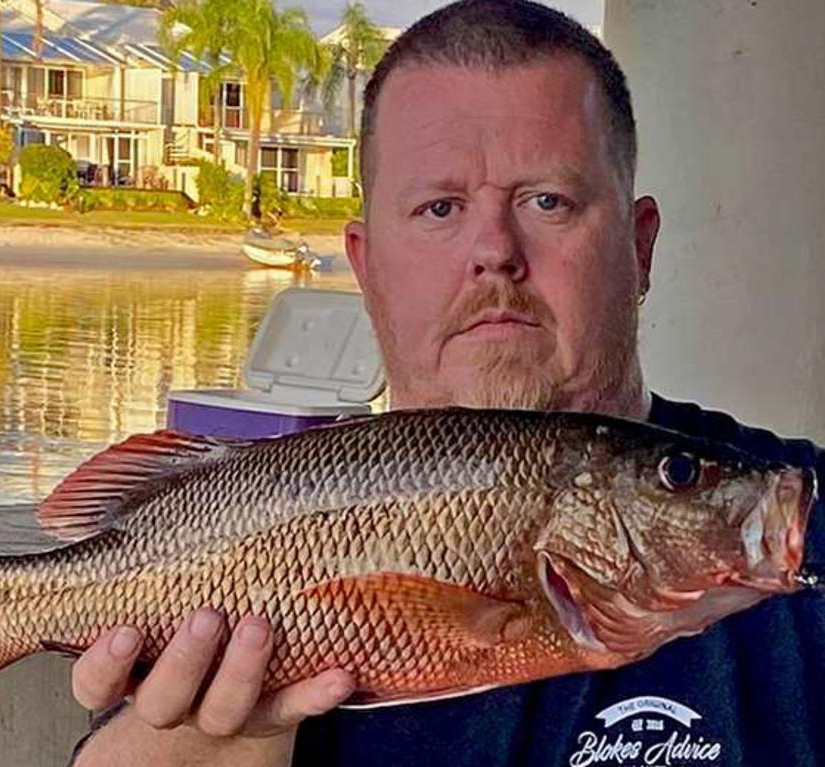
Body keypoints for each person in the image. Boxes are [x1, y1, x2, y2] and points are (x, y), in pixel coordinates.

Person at [68, 1, 825, 765]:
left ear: (639, 247)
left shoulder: (792, 515)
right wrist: (206, 742)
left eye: (547, 201)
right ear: (366, 268)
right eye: (440, 207)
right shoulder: (245, 523)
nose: (495, 250)